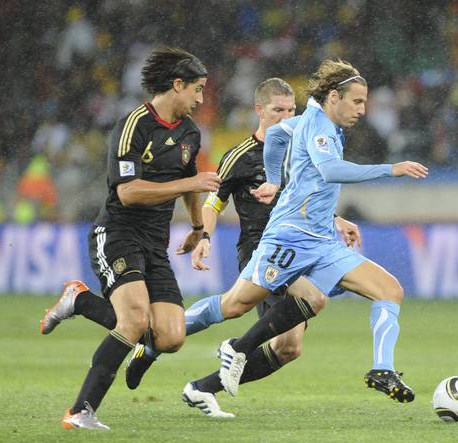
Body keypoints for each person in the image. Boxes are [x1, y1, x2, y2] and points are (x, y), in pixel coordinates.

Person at [41, 77, 361, 419]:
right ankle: (210, 357)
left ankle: (191, 378)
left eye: (291, 110)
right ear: (259, 111)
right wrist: (203, 236)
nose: (285, 117)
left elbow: (304, 199)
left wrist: (335, 219)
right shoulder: (240, 156)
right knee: (276, 303)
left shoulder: (301, 150)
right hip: (262, 250)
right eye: (277, 110)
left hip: (299, 245)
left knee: (288, 346)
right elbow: (213, 200)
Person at [184, 59, 428, 404]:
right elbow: (329, 170)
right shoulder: (319, 126)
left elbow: (278, 136)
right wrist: (392, 169)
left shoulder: (310, 121)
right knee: (234, 305)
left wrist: (273, 178)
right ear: (333, 97)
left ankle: (382, 369)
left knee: (389, 290)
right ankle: (158, 337)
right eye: (357, 101)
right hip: (290, 237)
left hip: (323, 241)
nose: (363, 109)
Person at [43, 46, 220, 430]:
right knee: (135, 319)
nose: (201, 98)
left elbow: (190, 186)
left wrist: (196, 228)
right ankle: (80, 411)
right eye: (198, 89)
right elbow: (127, 191)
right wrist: (190, 181)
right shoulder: (134, 125)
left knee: (171, 337)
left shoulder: (190, 132)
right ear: (177, 85)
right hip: (118, 233)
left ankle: (81, 301)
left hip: (154, 243)